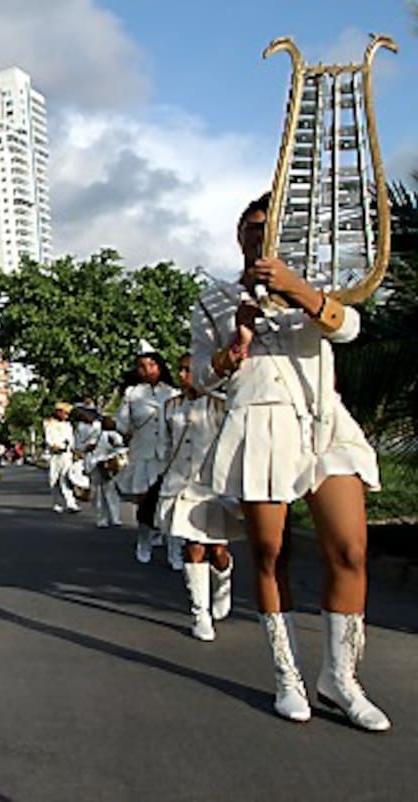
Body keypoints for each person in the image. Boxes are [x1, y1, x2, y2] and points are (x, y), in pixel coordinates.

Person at [192, 192, 390, 730]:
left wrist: (297, 290)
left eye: (272, 230)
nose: (263, 238)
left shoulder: (308, 286)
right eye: (254, 230)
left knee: (349, 550)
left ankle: (341, 678)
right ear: (241, 236)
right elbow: (201, 376)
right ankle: (288, 675)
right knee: (272, 553)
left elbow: (347, 328)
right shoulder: (215, 297)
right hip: (261, 421)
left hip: (324, 419)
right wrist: (237, 342)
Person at [157, 354, 236, 641]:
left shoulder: (221, 404)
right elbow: (164, 448)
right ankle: (199, 613)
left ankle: (224, 577)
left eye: (188, 369)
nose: (183, 374)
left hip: (213, 488)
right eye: (180, 369)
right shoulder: (170, 408)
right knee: (193, 547)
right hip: (180, 485)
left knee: (217, 551)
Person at [116, 341, 179, 565]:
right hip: (142, 454)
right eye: (143, 366)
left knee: (171, 503)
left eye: (152, 365)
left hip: (168, 455)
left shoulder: (173, 393)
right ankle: (144, 540)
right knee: (145, 503)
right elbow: (122, 425)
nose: (148, 370)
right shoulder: (132, 394)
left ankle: (174, 550)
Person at [88, 417, 125, 528]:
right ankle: (115, 518)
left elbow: (89, 447)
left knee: (99, 493)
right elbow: (120, 448)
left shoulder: (97, 435)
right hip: (110, 465)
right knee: (112, 493)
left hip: (96, 464)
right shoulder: (114, 435)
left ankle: (101, 519)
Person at [43, 402, 78, 513]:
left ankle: (71, 503)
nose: (66, 416)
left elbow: (72, 440)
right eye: (65, 413)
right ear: (59, 412)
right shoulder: (49, 423)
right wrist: (55, 446)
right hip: (54, 455)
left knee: (66, 478)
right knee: (54, 480)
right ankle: (56, 503)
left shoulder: (68, 425)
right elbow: (49, 439)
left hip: (67, 455)